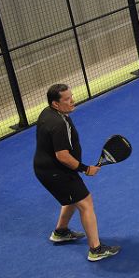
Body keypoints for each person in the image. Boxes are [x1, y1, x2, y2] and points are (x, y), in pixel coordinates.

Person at [33, 83, 120, 262]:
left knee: (73, 198)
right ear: (56, 103)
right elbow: (63, 156)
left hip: (47, 169)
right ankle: (96, 249)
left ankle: (61, 231)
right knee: (86, 202)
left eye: (71, 96)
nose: (72, 101)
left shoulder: (47, 113)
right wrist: (85, 169)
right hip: (56, 172)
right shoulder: (59, 124)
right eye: (67, 99)